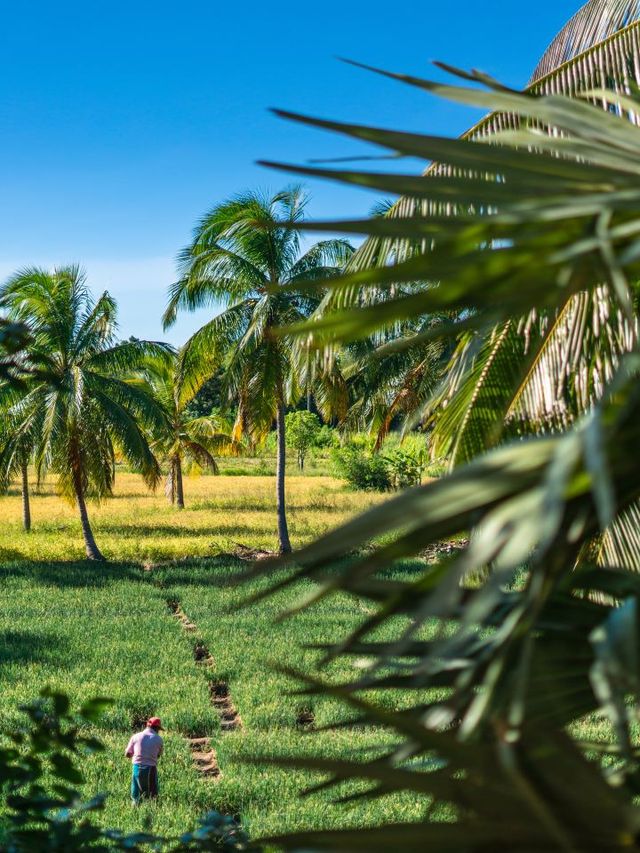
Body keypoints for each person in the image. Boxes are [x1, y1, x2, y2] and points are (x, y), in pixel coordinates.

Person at [125, 716, 164, 805]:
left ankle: (134, 813)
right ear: (157, 728)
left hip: (136, 768)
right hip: (150, 769)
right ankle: (150, 813)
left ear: (147, 725)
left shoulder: (135, 737)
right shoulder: (158, 739)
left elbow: (127, 754)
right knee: (152, 796)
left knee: (136, 795)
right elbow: (158, 755)